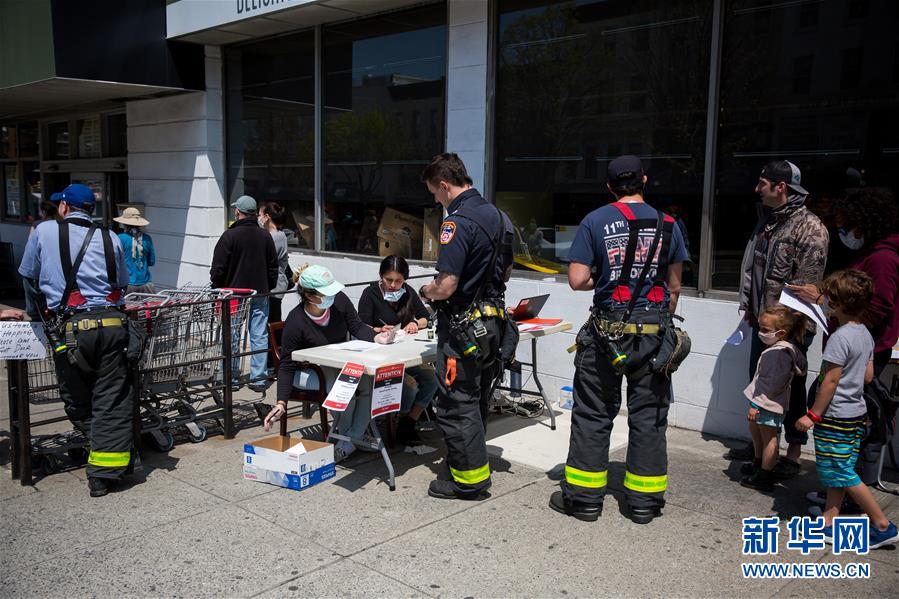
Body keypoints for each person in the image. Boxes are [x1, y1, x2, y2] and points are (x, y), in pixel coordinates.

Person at [550, 155, 688, 524]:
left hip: (606, 335)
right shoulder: (669, 224)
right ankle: (643, 503)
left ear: (610, 187)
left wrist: (611, 279)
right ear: (644, 180)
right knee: (649, 417)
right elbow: (674, 287)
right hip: (654, 334)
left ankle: (584, 501)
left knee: (593, 414)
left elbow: (577, 280)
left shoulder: (595, 221)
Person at [17, 183, 132, 498]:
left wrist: (36, 315)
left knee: (77, 399)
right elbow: (122, 283)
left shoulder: (44, 231)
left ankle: (104, 465)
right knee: (111, 398)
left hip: (71, 331)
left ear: (65, 207)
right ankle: (111, 461)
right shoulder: (110, 237)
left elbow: (29, 276)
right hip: (112, 326)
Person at [418, 152, 515, 501]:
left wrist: (426, 291)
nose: (436, 200)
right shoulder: (501, 218)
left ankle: (468, 481)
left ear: (445, 185)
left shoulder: (456, 223)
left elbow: (446, 286)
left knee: (457, 403)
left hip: (462, 329)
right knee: (477, 400)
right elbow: (506, 273)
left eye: (435, 193)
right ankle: (466, 463)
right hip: (493, 326)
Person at [786, 187, 899, 486]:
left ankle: (853, 492)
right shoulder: (871, 253)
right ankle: (839, 493)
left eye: (846, 224)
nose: (843, 231)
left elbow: (875, 309)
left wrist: (822, 301)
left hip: (852, 358)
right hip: (858, 357)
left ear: (864, 221)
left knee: (846, 429)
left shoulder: (882, 259)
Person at [730, 160, 828, 475]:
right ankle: (761, 448)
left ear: (780, 187)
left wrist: (788, 331)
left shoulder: (809, 228)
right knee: (759, 384)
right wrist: (750, 306)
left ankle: (793, 454)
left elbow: (806, 289)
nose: (757, 189)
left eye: (762, 183)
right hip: (764, 322)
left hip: (789, 330)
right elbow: (754, 268)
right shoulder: (768, 222)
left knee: (791, 389)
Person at [795, 270, 898, 549]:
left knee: (841, 471)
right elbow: (868, 376)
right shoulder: (864, 334)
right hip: (855, 414)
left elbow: (830, 381)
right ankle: (829, 519)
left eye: (828, 297)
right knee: (840, 469)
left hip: (835, 415)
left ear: (838, 303)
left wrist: (812, 415)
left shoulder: (839, 338)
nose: (825, 301)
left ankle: (882, 525)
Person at [262, 264, 394, 462]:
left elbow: (356, 325)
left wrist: (377, 338)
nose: (332, 296)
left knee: (370, 383)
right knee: (343, 388)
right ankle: (351, 439)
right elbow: (287, 365)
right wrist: (281, 402)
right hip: (307, 372)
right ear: (309, 295)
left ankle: (351, 438)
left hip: (337, 364)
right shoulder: (296, 321)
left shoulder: (339, 301)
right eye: (326, 293)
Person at [358, 255, 438, 445]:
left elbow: (426, 317)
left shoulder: (408, 292)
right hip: (381, 357)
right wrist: (378, 330)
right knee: (409, 386)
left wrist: (415, 323)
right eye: (389, 280)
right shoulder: (370, 294)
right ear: (381, 276)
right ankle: (398, 422)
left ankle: (408, 422)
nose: (393, 285)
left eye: (399, 281)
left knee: (432, 380)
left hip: (405, 354)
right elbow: (360, 325)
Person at [210, 195, 278, 393]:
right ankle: (258, 378)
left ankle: (231, 378)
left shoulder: (229, 236)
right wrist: (268, 286)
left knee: (231, 334)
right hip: (260, 292)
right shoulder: (265, 236)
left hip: (233, 293)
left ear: (238, 212)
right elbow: (273, 267)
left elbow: (218, 269)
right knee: (259, 335)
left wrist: (217, 287)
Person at [740, 306, 808, 492]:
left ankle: (765, 475)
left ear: (782, 332)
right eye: (760, 327)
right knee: (758, 433)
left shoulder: (777, 354)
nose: (761, 332)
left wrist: (755, 405)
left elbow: (770, 384)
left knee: (769, 439)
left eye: (766, 329)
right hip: (768, 403)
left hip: (767, 404)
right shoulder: (783, 349)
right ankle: (759, 464)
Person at [258, 201, 291, 324]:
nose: (258, 218)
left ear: (267, 217)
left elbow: (264, 259)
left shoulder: (275, 237)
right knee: (271, 321)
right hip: (274, 286)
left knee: (272, 323)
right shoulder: (278, 235)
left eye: (260, 215)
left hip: (274, 288)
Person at [114, 207, 156, 294]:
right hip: (146, 284)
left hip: (128, 284)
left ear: (124, 224)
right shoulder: (147, 238)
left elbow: (115, 261)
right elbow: (151, 262)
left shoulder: (120, 238)